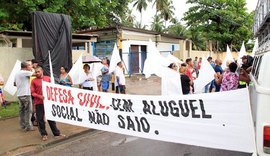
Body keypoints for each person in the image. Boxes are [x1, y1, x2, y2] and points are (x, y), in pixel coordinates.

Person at [31, 66, 64, 141]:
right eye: (36, 72)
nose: (37, 73)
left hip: (48, 102)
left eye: (38, 71)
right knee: (40, 119)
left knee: (51, 118)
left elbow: (52, 89)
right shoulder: (34, 81)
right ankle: (44, 134)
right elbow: (32, 92)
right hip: (39, 103)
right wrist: (39, 96)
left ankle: (56, 133)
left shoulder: (48, 78)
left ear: (42, 71)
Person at [14, 62, 34, 131]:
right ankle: (28, 126)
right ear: (26, 67)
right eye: (29, 65)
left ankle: (22, 125)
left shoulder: (17, 73)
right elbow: (34, 73)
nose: (30, 66)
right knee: (28, 110)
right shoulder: (25, 72)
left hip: (19, 94)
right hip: (26, 94)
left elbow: (14, 84)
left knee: (21, 111)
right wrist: (31, 69)